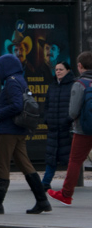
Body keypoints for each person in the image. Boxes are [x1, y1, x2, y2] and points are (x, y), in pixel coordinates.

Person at [0, 54, 50, 214]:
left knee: (2, 165)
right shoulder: (20, 79)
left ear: (6, 67)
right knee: (26, 165)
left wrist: (0, 114)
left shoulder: (11, 82)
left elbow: (17, 105)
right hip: (19, 130)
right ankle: (42, 201)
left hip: (8, 130)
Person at [49, 51, 92, 206]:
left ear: (80, 66)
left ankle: (66, 194)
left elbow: (73, 111)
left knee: (75, 161)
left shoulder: (79, 84)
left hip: (82, 130)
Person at [42, 60, 76, 190]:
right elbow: (47, 105)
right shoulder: (53, 86)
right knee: (51, 158)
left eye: (61, 69)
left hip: (66, 129)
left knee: (69, 159)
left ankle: (69, 186)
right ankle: (45, 183)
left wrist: (68, 120)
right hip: (53, 128)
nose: (58, 72)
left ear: (68, 71)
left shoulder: (73, 85)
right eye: (56, 70)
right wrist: (47, 119)